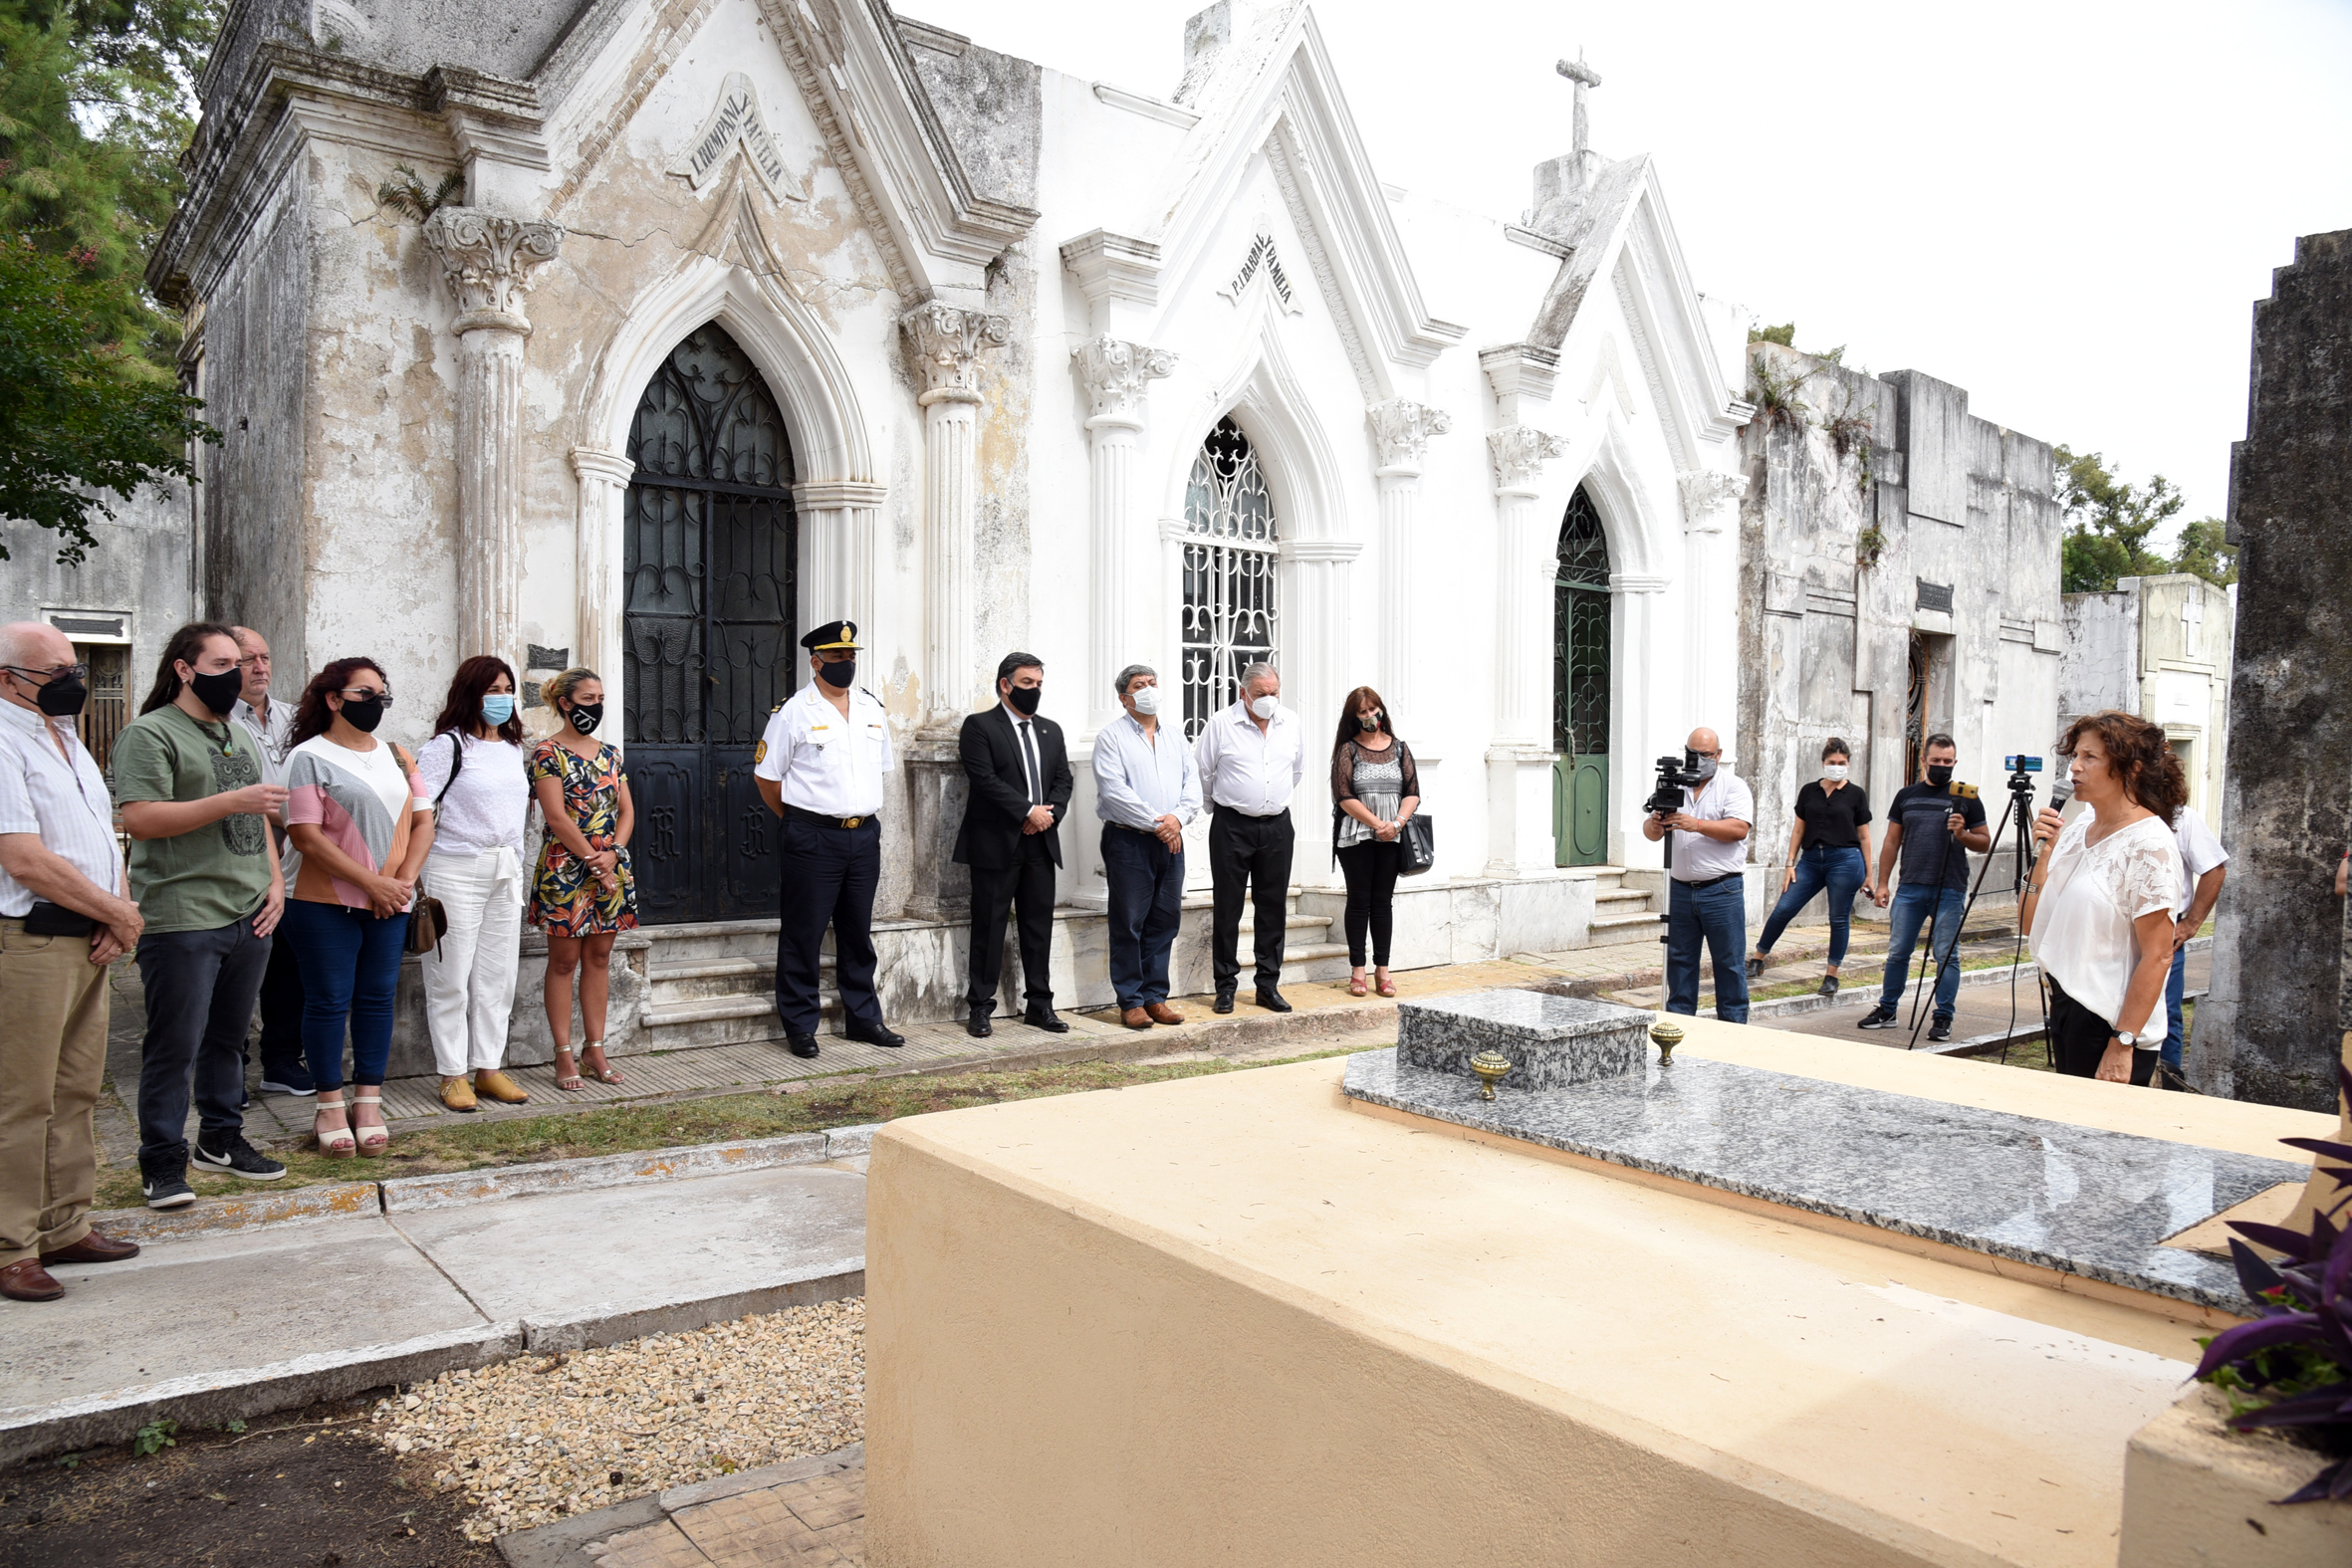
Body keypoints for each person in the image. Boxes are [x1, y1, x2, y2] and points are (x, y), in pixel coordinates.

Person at [113, 622, 288, 1208]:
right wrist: (230, 801)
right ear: (185, 670)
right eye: (220, 664)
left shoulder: (236, 731)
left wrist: (275, 880)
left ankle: (221, 1138)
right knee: (175, 1044)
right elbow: (138, 817)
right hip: (184, 913)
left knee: (230, 1040)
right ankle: (162, 1162)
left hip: (249, 911)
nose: (235, 674)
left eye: (238, 663)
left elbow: (259, 815)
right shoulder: (151, 732)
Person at [0, 623, 145, 1300]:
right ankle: (11, 1245)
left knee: (77, 1089)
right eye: (55, 668)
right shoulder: (3, 738)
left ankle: (65, 1223)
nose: (74, 678)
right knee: (22, 1099)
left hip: (90, 936)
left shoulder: (65, 739)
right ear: (9, 677)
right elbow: (24, 856)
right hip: (30, 938)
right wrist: (115, 912)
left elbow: (99, 837)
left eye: (75, 665)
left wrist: (117, 910)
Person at [280, 658, 433, 1156]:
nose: (376, 703)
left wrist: (403, 882)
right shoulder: (308, 757)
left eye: (381, 694)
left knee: (375, 1000)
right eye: (365, 694)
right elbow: (305, 836)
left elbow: (424, 822)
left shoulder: (399, 755)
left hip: (392, 903)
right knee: (327, 1001)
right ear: (332, 698)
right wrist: (373, 882)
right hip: (324, 902)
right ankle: (328, 1105)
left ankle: (368, 1101)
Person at [755, 623, 903, 1059]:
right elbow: (767, 779)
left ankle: (864, 1018)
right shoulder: (793, 712)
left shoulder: (871, 708)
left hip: (863, 835)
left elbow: (879, 771)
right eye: (836, 657)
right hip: (813, 836)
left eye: (850, 656)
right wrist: (800, 820)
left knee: (858, 932)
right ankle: (800, 1026)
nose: (846, 664)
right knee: (804, 933)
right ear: (815, 661)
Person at [2022, 711, 2187, 1085]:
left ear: (2131, 769)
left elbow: (2159, 954)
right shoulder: (2079, 827)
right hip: (2067, 1005)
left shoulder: (2149, 844)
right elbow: (2029, 924)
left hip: (2109, 1022)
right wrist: (2042, 860)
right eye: (2074, 757)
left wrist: (2123, 1042)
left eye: (2089, 758)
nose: (2074, 769)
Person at [415, 656, 533, 1113]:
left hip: (505, 868)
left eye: (507, 689)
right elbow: (418, 809)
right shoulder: (447, 746)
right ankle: (452, 1074)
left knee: (497, 975)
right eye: (492, 689)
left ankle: (488, 1067)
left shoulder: (510, 747)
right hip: (455, 866)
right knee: (451, 975)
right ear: (470, 692)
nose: (501, 698)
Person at [953, 653, 1074, 1038]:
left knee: (1038, 927)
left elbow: (1063, 780)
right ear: (1005, 685)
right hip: (996, 844)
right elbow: (985, 780)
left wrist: (1048, 815)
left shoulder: (1051, 730)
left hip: (1041, 843)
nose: (1034, 690)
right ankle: (981, 1007)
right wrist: (1027, 811)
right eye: (1026, 683)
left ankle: (1040, 1004)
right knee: (988, 927)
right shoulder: (979, 727)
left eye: (1038, 684)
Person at [529, 668, 637, 1091]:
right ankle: (562, 1053)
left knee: (598, 959)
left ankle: (595, 1049)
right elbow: (555, 816)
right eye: (588, 698)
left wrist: (613, 856)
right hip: (566, 869)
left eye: (601, 697)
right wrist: (594, 860)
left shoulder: (610, 754)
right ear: (565, 703)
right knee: (563, 961)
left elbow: (626, 811)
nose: (597, 705)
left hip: (610, 868)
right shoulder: (547, 753)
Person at [1858, 734, 1990, 1042]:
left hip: (1950, 887)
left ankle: (1943, 1016)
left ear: (1954, 762)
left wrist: (1962, 833)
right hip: (1911, 886)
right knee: (1898, 952)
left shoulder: (1968, 798)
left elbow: (1984, 842)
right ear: (1924, 761)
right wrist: (1882, 883)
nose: (1942, 766)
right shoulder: (1907, 795)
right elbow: (1892, 840)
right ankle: (1887, 1009)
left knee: (1946, 955)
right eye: (1936, 761)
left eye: (1947, 762)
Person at [1092, 664, 1200, 1029]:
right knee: (1129, 920)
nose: (1149, 689)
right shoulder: (1111, 737)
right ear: (1125, 698)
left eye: (1153, 683)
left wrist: (1178, 821)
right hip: (1129, 840)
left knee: (1164, 920)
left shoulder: (1175, 736)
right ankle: (1131, 1000)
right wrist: (1160, 824)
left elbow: (1192, 787)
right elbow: (1114, 792)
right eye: (1140, 685)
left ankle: (1156, 997)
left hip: (1171, 840)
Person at [229, 625, 311, 1100]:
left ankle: (281, 1060)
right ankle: (227, 1065)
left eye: (264, 657)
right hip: (243, 853)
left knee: (289, 963)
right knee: (238, 964)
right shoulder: (218, 721)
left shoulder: (295, 718)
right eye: (246, 659)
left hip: (298, 855)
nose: (259, 668)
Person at [1195, 662, 1304, 1014]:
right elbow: (1202, 771)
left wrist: (1269, 801)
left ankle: (1267, 985)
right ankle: (1225, 986)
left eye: (1274, 693)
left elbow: (1296, 769)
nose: (1268, 701)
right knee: (1228, 907)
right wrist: (1224, 806)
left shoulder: (1291, 723)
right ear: (1243, 692)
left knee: (1272, 907)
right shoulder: (1221, 724)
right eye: (1260, 695)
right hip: (1232, 825)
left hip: (1277, 826)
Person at [1748, 738, 1877, 999]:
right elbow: (1798, 829)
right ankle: (1758, 958)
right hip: (1810, 860)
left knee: (1838, 918)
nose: (1836, 767)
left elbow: (1864, 836)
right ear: (1823, 763)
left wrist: (1870, 874)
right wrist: (1789, 864)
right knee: (1784, 908)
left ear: (1848, 765)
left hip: (1845, 860)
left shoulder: (1856, 794)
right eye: (1832, 763)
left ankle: (1832, 974)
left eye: (1842, 763)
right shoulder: (1809, 791)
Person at [1643, 726, 1755, 1023]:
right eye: (1692, 753)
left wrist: (1698, 824)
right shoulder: (1673, 785)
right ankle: (1679, 1026)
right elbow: (1651, 832)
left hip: (1721, 890)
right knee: (1680, 961)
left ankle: (1733, 1028)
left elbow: (1739, 829)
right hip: (1680, 889)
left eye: (1704, 754)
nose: (1697, 760)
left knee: (1728, 963)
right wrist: (1655, 823)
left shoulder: (1733, 786)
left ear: (1718, 755)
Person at [1329, 685, 1419, 999]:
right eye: (1363, 712)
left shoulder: (1399, 749)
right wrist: (1378, 823)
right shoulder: (1348, 750)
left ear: (1381, 710)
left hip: (1392, 837)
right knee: (1358, 902)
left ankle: (1383, 970)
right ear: (1354, 717)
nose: (1370, 716)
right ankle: (1357, 970)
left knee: (1382, 903)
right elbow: (1343, 795)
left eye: (1373, 709)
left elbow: (1412, 791)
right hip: (1356, 836)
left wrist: (1396, 824)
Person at [2161, 801, 2228, 1081]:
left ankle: (2167, 1087)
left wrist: (2191, 923)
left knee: (2165, 1013)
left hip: (2164, 928)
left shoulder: (2180, 817)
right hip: (2108, 932)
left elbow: (2214, 868)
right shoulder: (2092, 813)